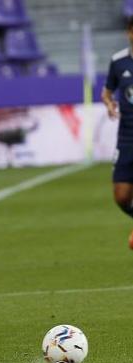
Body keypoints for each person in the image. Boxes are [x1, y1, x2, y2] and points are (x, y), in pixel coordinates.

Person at [103, 16, 133, 249]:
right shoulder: (118, 61)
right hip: (126, 137)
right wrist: (109, 102)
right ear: (129, 33)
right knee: (121, 196)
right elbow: (107, 91)